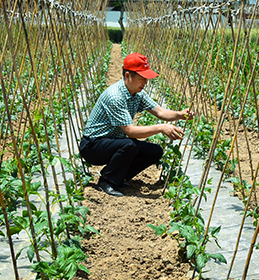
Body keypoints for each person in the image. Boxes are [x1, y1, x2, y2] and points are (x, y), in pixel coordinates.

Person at [79, 53, 191, 197]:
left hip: (113, 142)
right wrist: (161, 128)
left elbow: (161, 112)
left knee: (154, 151)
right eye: (141, 79)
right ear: (127, 76)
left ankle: (119, 177)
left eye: (146, 79)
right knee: (129, 145)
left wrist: (181, 114)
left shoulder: (137, 94)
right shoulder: (115, 96)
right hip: (93, 146)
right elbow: (130, 131)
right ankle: (107, 181)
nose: (145, 83)